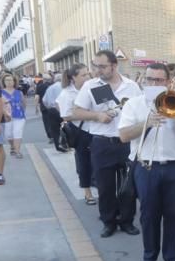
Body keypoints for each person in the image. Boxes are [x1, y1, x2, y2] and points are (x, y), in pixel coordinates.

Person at [119, 63, 175, 261]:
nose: (153, 83)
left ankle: (172, 256)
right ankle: (149, 256)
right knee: (148, 214)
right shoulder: (134, 104)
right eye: (150, 79)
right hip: (146, 166)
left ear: (168, 82)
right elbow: (124, 136)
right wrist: (147, 123)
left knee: (173, 214)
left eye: (159, 80)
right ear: (144, 80)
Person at [71, 50, 142, 237]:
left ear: (114, 65)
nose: (97, 70)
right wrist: (97, 115)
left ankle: (127, 221)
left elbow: (141, 110)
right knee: (105, 186)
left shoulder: (132, 86)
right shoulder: (90, 85)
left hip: (127, 142)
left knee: (128, 186)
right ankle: (108, 221)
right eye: (95, 66)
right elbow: (76, 112)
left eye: (102, 66)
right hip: (102, 142)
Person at [58, 64, 96, 205]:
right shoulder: (67, 94)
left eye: (88, 74)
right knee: (84, 162)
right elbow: (66, 116)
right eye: (83, 75)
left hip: (97, 130)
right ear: (73, 77)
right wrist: (90, 115)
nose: (87, 77)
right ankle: (87, 192)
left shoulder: (93, 88)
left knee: (98, 161)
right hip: (80, 132)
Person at [0, 73, 27, 159]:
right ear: (3, 82)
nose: (9, 82)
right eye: (6, 80)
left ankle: (17, 151)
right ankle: (12, 146)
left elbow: (23, 103)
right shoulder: (0, 93)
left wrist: (22, 112)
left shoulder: (19, 92)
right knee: (8, 135)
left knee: (17, 132)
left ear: (14, 82)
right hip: (7, 117)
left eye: (10, 80)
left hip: (19, 116)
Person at [42, 72, 68, 152]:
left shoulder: (50, 88)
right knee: (64, 127)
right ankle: (65, 144)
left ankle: (58, 146)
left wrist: (49, 107)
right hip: (62, 109)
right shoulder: (64, 87)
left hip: (51, 110)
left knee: (55, 129)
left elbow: (44, 100)